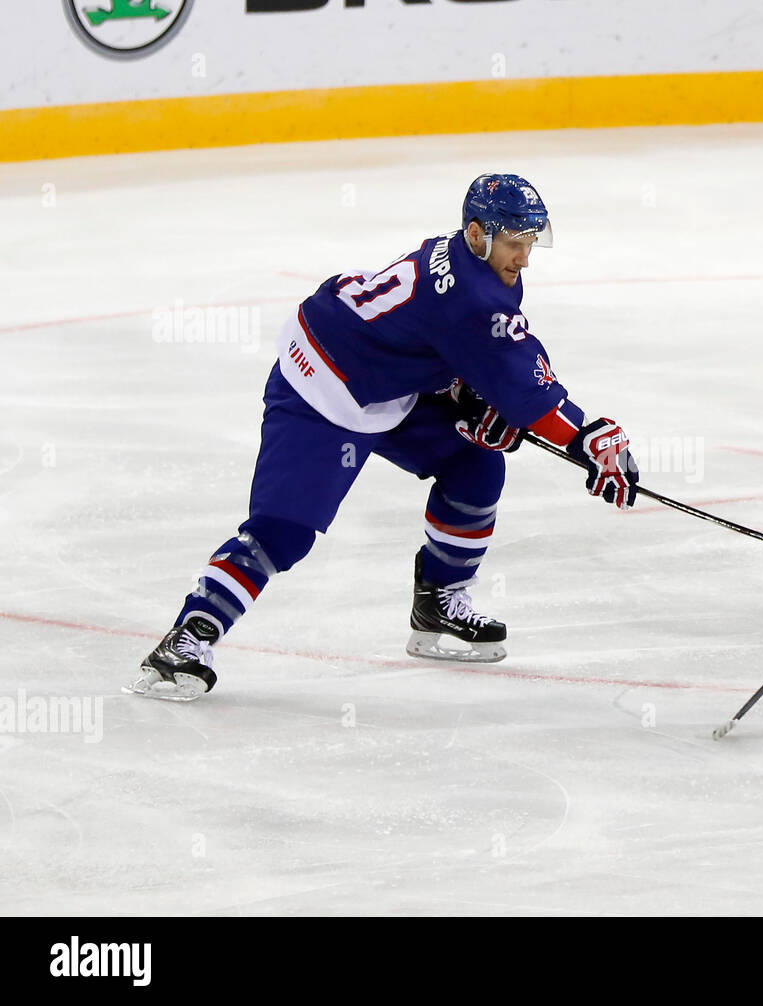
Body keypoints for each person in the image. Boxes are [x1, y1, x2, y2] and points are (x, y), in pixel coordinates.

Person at [128, 174, 639, 701]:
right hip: (323, 383)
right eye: (514, 243)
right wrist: (587, 438)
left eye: (531, 243)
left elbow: (468, 348)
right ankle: (188, 637)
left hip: (384, 381)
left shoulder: (474, 266)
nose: (525, 258)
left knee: (475, 464)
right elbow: (523, 387)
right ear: (476, 233)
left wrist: (468, 390)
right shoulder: (473, 294)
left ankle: (439, 602)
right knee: (283, 532)